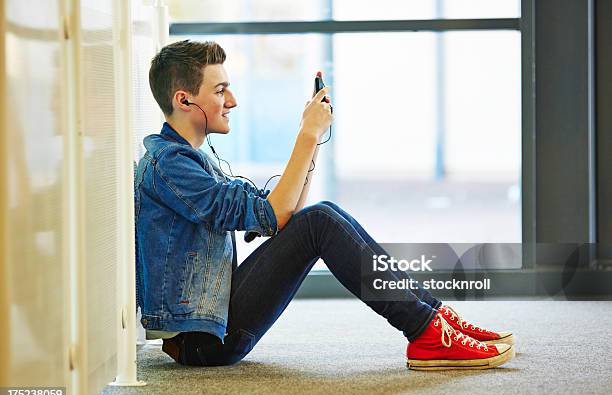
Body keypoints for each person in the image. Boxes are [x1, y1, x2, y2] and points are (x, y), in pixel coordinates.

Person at [135, 39, 515, 370]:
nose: (231, 101)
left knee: (321, 216)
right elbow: (275, 214)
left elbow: (283, 211)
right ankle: (427, 330)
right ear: (184, 100)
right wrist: (307, 132)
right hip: (202, 341)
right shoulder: (169, 165)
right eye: (220, 91)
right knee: (320, 221)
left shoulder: (191, 161)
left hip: (214, 321)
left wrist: (313, 140)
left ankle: (433, 319)